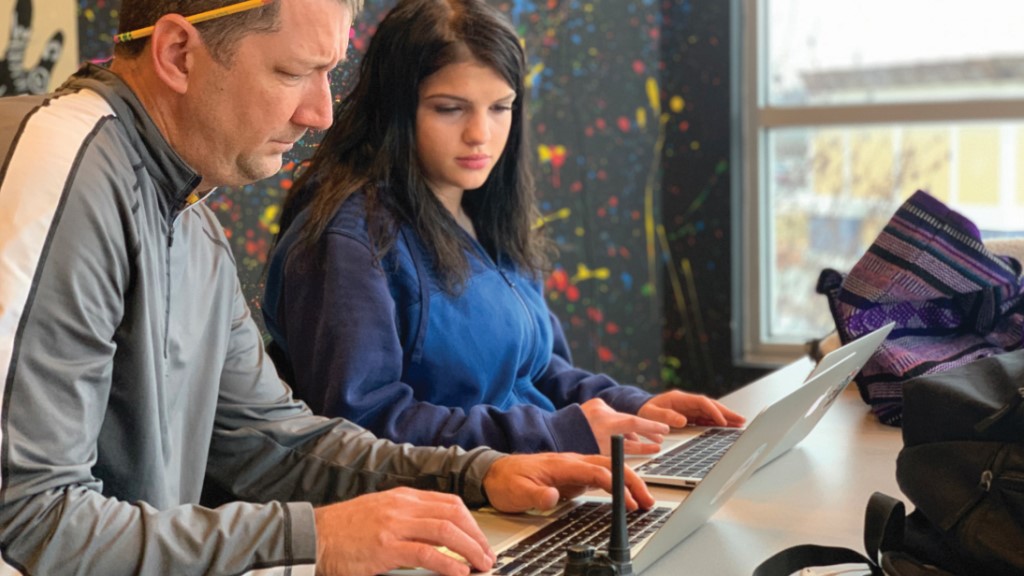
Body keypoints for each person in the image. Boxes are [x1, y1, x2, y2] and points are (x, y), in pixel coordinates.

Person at [0, 1, 657, 575]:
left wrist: (479, 474)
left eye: (329, 75)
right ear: (178, 52)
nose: (319, 113)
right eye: (293, 72)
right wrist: (315, 539)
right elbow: (26, 526)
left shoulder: (190, 220)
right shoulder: (63, 167)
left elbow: (273, 445)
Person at [262, 0, 745, 459]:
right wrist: (559, 433)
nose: (481, 134)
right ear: (395, 111)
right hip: (445, 513)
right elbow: (359, 427)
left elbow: (537, 369)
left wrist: (634, 407)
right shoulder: (348, 238)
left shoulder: (486, 212)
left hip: (533, 484)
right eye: (450, 108)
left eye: (500, 107)